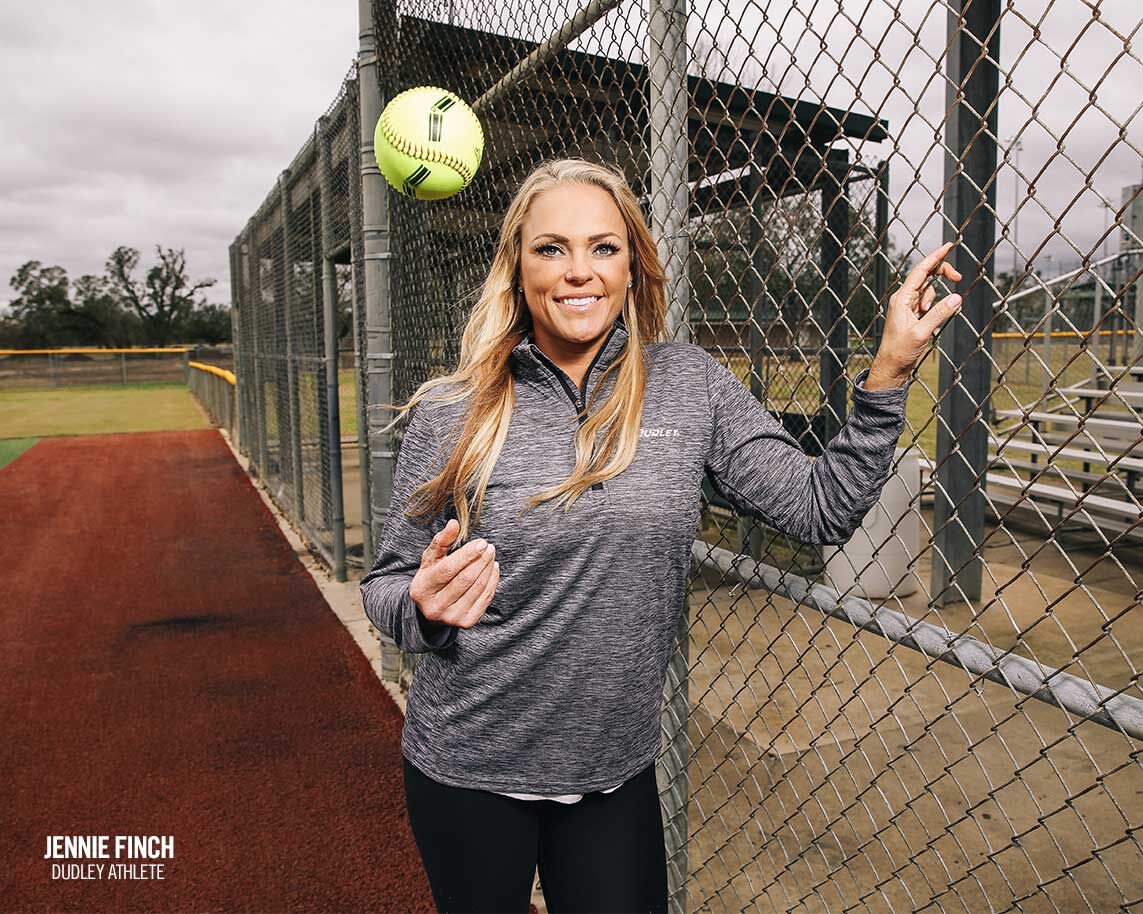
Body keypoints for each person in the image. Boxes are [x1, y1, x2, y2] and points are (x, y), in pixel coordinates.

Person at [360, 157, 962, 913]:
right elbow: (382, 585)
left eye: (602, 247)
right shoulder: (454, 409)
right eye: (551, 248)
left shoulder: (689, 384)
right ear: (517, 268)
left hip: (612, 772)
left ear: (633, 265)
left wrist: (888, 372)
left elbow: (821, 509)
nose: (579, 271)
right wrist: (419, 606)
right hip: (468, 766)